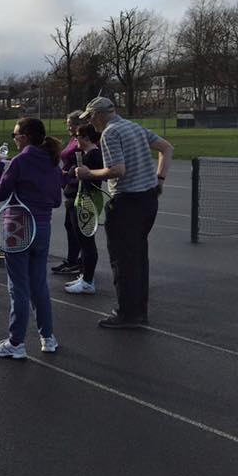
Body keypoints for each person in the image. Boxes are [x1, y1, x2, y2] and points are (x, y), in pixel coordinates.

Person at [76, 97, 174, 329]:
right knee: (139, 257)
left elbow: (117, 170)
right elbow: (166, 148)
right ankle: (138, 311)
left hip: (127, 202)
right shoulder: (134, 127)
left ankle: (127, 314)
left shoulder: (110, 133)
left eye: (90, 117)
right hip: (148, 199)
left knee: (123, 260)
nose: (90, 123)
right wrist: (159, 179)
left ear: (99, 114)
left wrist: (88, 173)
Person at [0, 118, 63, 359]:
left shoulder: (19, 161)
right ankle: (47, 337)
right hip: (43, 226)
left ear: (26, 137)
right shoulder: (52, 162)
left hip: (18, 225)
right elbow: (57, 200)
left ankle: (16, 342)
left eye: (15, 134)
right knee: (38, 283)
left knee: (18, 286)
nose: (14, 138)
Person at [64, 124, 103, 295]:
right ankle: (85, 276)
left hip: (84, 202)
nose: (75, 139)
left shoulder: (93, 155)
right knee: (82, 242)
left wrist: (73, 172)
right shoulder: (85, 155)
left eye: (78, 136)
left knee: (87, 242)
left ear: (86, 137)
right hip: (76, 201)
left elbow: (81, 177)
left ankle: (88, 281)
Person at [52, 111, 85, 276]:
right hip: (68, 187)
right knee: (70, 225)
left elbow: (83, 162)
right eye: (68, 123)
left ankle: (77, 261)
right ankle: (73, 260)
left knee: (76, 227)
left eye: (71, 124)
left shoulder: (82, 140)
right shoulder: (73, 139)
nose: (68, 126)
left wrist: (70, 173)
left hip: (77, 187)